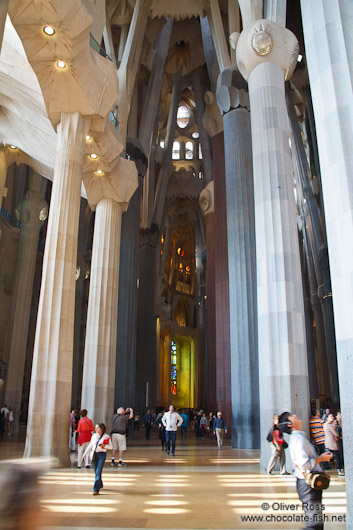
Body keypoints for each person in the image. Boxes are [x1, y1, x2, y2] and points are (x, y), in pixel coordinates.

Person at [279, 411, 333, 530]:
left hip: (307, 484)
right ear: (289, 424)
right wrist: (321, 459)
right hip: (307, 484)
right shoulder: (298, 439)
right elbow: (304, 465)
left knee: (315, 519)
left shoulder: (299, 437)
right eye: (291, 416)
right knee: (313, 522)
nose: (295, 415)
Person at [83, 423, 112, 495]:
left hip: (101, 454)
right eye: (95, 428)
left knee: (98, 471)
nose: (96, 429)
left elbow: (111, 447)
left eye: (97, 428)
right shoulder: (94, 436)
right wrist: (85, 454)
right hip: (94, 454)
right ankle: (100, 483)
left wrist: (104, 446)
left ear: (101, 429)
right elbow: (90, 445)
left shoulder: (106, 436)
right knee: (96, 471)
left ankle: (96, 489)